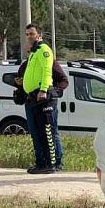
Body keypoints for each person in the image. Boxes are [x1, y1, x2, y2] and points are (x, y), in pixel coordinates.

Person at [16, 27, 65, 174]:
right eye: (27, 34)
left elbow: (46, 71)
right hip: (32, 98)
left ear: (39, 35)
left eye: (32, 34)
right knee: (37, 132)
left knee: (47, 131)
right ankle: (41, 163)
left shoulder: (44, 49)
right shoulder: (34, 53)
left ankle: (52, 163)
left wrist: (44, 90)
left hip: (42, 97)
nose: (29, 37)